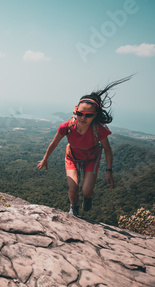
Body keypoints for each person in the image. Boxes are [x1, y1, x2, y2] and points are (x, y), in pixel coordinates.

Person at [37, 76, 132, 216]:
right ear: (76, 111)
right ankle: (74, 208)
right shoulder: (67, 126)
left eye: (88, 115)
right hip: (72, 157)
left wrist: (109, 171)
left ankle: (87, 197)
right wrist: (45, 159)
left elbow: (107, 149)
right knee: (73, 187)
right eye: (80, 113)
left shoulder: (99, 129)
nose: (83, 118)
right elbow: (54, 143)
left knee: (86, 190)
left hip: (91, 159)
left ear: (95, 115)